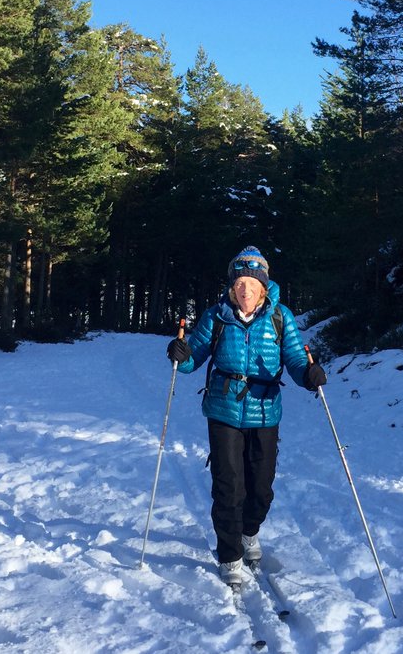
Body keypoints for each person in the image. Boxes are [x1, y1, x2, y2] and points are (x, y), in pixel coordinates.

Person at [166, 246, 327, 585]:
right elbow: (193, 358)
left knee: (261, 490)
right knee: (228, 486)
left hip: (265, 410)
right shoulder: (216, 316)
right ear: (231, 286)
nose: (245, 290)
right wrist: (180, 354)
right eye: (239, 283)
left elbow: (297, 359)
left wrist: (309, 376)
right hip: (223, 409)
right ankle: (229, 554)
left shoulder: (280, 316)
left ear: (263, 287)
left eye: (251, 284)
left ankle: (249, 532)